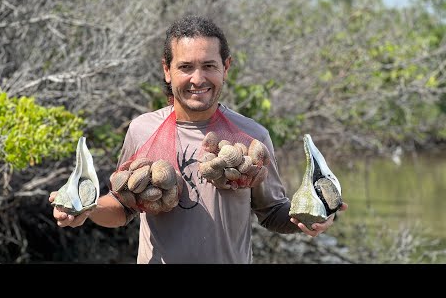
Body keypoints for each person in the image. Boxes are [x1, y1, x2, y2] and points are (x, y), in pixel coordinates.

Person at [49, 15, 348, 264]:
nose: (197, 79)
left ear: (225, 67)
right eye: (185, 67)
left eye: (208, 66)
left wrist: (313, 217)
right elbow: (122, 206)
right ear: (167, 70)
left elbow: (272, 212)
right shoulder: (141, 130)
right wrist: (86, 210)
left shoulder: (252, 136)